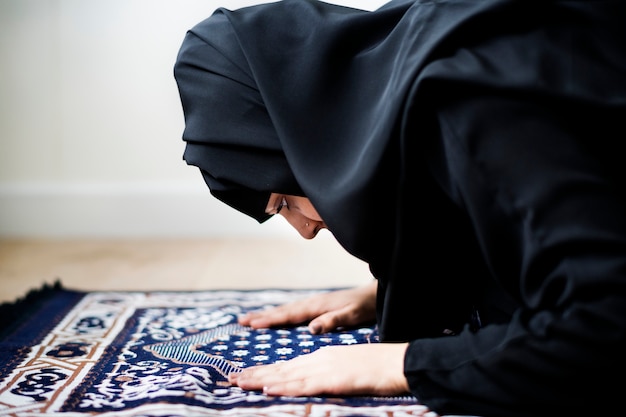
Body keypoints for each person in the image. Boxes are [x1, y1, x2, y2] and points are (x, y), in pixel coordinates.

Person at [173, 0, 626, 416]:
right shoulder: (416, 75)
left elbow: (601, 323)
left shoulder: (472, 102)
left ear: (303, 140)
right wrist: (414, 283)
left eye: (285, 201)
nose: (305, 230)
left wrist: (402, 365)